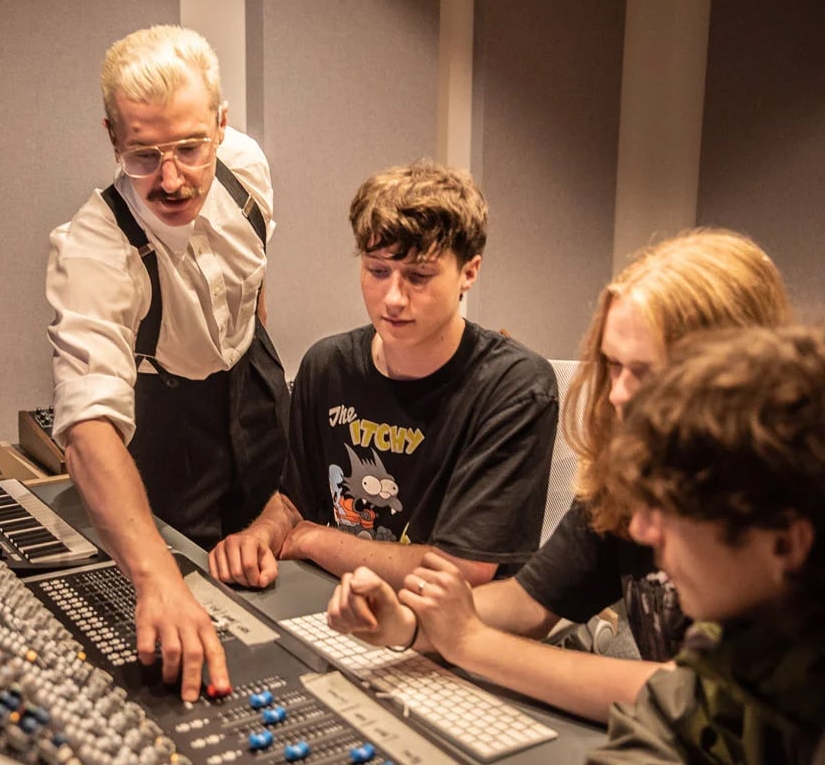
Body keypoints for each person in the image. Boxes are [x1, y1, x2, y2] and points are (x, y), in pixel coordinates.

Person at [325, 229, 793, 722]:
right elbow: (531, 601)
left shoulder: (780, 509)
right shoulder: (632, 471)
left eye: (648, 374)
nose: (618, 395)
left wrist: (471, 643)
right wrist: (413, 626)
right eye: (613, 368)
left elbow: (697, 695)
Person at [45, 26, 289, 700]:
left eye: (190, 147)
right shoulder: (91, 247)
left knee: (279, 573)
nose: (172, 178)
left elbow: (254, 280)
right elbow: (88, 426)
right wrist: (157, 579)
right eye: (144, 155)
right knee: (188, 590)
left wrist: (253, 363)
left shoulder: (248, 166)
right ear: (112, 138)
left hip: (255, 377)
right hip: (169, 420)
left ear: (221, 124)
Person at [209, 160, 558, 592]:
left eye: (419, 276)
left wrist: (317, 540)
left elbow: (462, 569)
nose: (392, 299)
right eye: (377, 271)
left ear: (469, 271)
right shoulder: (326, 366)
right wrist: (259, 536)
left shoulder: (515, 388)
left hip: (448, 634)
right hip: (339, 606)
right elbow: (293, 502)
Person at [588, 325, 825, 764]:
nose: (640, 530)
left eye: (670, 510)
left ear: (785, 544)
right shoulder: (737, 632)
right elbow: (658, 728)